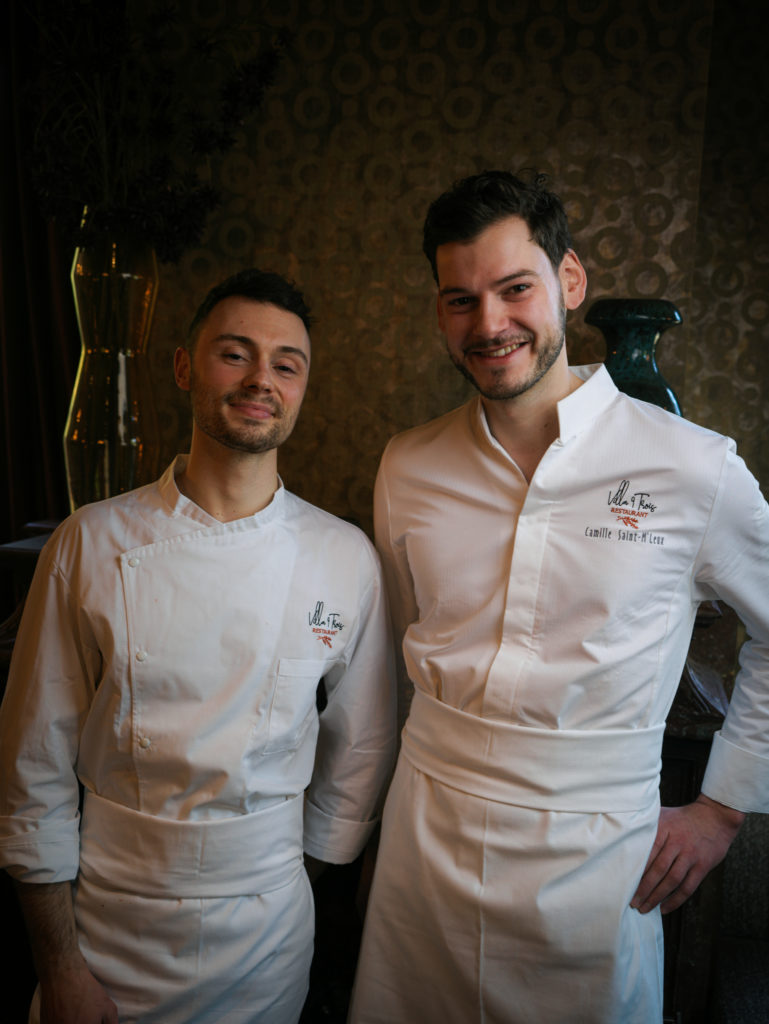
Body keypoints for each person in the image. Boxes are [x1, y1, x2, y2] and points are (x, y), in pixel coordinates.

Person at [349, 171, 769, 1023]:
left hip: (596, 853)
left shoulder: (693, 467)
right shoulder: (407, 464)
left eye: (515, 289)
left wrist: (721, 808)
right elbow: (394, 652)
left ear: (568, 281)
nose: (488, 324)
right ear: (439, 312)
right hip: (424, 837)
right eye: (461, 300)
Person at [0, 268, 396, 1024]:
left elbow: (362, 749)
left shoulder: (344, 557)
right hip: (108, 919)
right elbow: (32, 765)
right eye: (234, 354)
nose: (261, 380)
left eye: (286, 364)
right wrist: (60, 968)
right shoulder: (89, 542)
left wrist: (285, 872)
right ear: (184, 367)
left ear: (303, 387)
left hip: (270, 929)